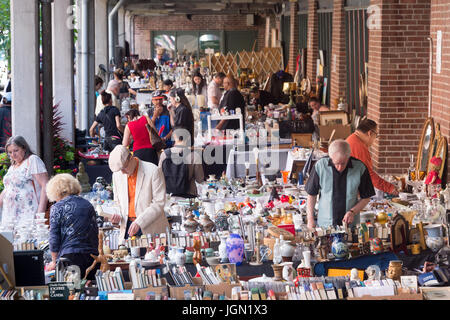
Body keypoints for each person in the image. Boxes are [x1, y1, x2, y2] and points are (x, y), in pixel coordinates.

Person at [305, 139, 375, 229]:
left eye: (343, 163)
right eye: (336, 163)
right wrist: (310, 219)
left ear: (348, 156)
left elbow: (366, 197)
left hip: (350, 225)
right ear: (330, 157)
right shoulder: (320, 166)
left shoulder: (360, 167)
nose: (339, 168)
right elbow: (311, 194)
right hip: (325, 225)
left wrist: (352, 212)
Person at [108, 145, 169, 242]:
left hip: (150, 226)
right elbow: (117, 202)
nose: (122, 172)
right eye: (120, 170)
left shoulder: (153, 171)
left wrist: (139, 222)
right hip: (127, 227)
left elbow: (159, 203)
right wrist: (116, 217)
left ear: (130, 157)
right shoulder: (117, 174)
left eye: (124, 168)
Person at [45, 174, 99, 280]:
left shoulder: (57, 207)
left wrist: (54, 261)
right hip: (91, 257)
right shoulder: (88, 204)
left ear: (56, 191)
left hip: (70, 258)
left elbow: (54, 237)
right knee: (89, 292)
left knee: (70, 293)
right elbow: (94, 232)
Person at [0, 136, 48, 225]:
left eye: (16, 150)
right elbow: (8, 189)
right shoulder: (13, 166)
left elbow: (45, 185)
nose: (13, 155)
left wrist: (40, 214)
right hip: (9, 216)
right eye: (10, 152)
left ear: (24, 148)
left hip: (28, 214)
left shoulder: (32, 160)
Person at [346, 118, 399, 196]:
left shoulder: (354, 139)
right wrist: (390, 188)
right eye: (376, 136)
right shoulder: (359, 146)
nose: (374, 140)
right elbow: (368, 174)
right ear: (370, 133)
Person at [159, 127, 204, 198]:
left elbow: (159, 176)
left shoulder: (164, 154)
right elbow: (200, 179)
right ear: (188, 138)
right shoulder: (194, 156)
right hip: (189, 196)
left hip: (169, 196)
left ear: (174, 137)